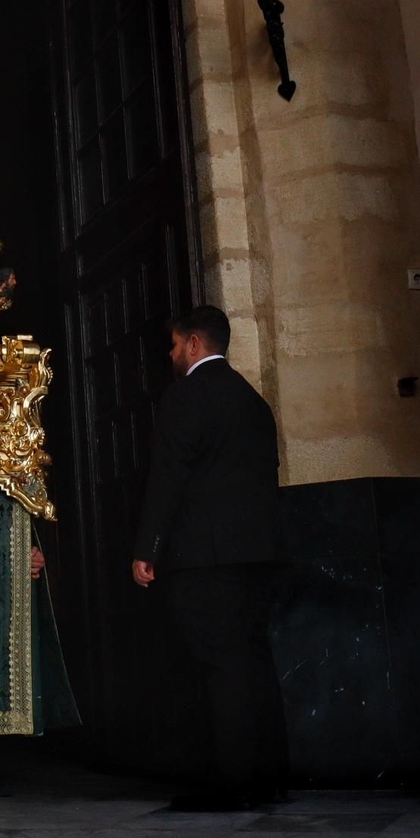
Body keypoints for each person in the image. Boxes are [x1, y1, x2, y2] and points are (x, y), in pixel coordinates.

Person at [130, 305, 287, 811]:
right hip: (257, 554)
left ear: (194, 343)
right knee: (254, 659)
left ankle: (232, 782)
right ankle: (270, 776)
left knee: (219, 668)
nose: (172, 354)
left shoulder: (186, 396)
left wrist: (147, 549)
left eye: (175, 344)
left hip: (204, 558)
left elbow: (168, 477)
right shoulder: (254, 401)